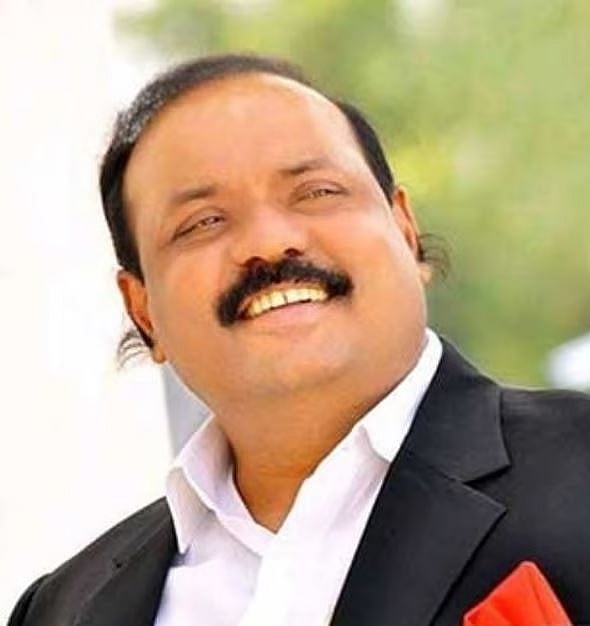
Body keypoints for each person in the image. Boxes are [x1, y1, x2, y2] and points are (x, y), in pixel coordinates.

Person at [9, 53, 590, 626]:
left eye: (316, 191)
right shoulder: (60, 610)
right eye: (203, 222)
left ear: (404, 230)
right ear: (142, 310)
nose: (268, 241)